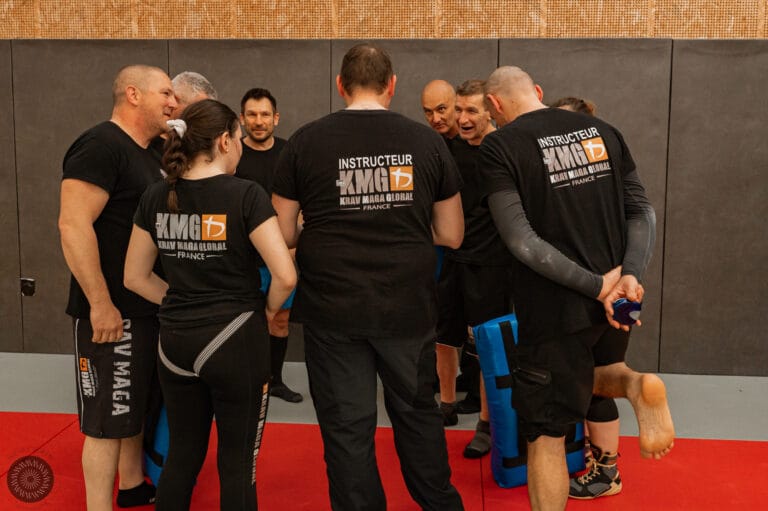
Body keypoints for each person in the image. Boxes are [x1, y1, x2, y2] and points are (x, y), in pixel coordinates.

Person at [272, 43, 465, 511]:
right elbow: (452, 234)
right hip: (406, 306)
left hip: (333, 309)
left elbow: (283, 233)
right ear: (391, 85)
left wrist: (325, 223)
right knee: (417, 415)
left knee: (346, 426)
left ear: (340, 85)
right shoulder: (427, 142)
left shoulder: (305, 142)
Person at [480, 66, 674, 511]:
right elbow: (641, 211)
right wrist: (629, 275)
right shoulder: (602, 130)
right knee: (599, 372)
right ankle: (635, 384)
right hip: (620, 300)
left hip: (557, 308)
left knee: (546, 435)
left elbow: (521, 241)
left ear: (494, 104)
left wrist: (594, 286)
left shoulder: (501, 145)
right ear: (538, 91)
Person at [123, 99, 296, 510]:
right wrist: (267, 311)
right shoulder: (245, 194)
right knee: (238, 465)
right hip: (236, 339)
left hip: (175, 343)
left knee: (182, 456)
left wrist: (180, 301)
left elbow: (134, 277)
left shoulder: (156, 194)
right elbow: (286, 275)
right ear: (224, 141)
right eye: (238, 137)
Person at [58, 64, 177, 511]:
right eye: (165, 93)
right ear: (133, 94)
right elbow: (73, 225)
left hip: (145, 307)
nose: (173, 102)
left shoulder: (150, 151)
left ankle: (130, 485)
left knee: (134, 407)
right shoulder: (100, 145)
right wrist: (100, 303)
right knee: (107, 419)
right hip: (111, 313)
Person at [550, 95, 627, 499]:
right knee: (597, 378)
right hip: (617, 285)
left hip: (604, 289)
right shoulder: (601, 173)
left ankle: (607, 472)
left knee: (596, 380)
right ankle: (595, 460)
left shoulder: (594, 175)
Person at [436, 79, 515, 461]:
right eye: (459, 110)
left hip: (492, 264)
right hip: (453, 258)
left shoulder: (504, 151)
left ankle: (486, 422)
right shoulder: (448, 150)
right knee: (444, 337)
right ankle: (447, 404)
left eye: (471, 111)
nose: (462, 118)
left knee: (486, 346)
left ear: (490, 111)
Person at [237, 87, 303, 403]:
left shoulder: (289, 153)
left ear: (276, 118)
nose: (259, 121)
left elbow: (302, 202)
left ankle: (274, 381)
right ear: (242, 119)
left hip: (281, 256)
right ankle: (249, 382)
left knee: (279, 320)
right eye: (252, 114)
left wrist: (291, 247)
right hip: (242, 258)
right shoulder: (232, 154)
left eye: (265, 114)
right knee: (246, 321)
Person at [422, 79, 482, 417]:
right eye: (428, 112)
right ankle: (447, 399)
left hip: (484, 256)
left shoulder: (485, 149)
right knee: (444, 328)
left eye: (443, 109)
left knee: (480, 333)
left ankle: (476, 394)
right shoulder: (433, 147)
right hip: (445, 253)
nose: (437, 118)